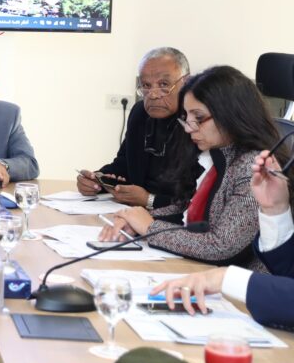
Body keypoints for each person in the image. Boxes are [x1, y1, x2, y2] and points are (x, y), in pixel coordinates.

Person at [99, 65, 281, 269]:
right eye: (186, 117)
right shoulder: (215, 155)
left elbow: (221, 247)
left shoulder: (254, 168)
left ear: (231, 114)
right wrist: (135, 219)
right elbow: (184, 209)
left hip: (239, 282)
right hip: (203, 270)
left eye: (199, 118)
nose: (188, 127)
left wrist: (149, 227)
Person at [152, 147, 294, 330]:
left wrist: (227, 278)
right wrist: (275, 210)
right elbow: (287, 273)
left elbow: (222, 245)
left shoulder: (243, 162)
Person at [77, 47, 191, 208]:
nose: (153, 94)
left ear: (186, 82)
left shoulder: (198, 123)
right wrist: (97, 181)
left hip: (175, 217)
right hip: (132, 211)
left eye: (164, 84)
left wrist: (149, 200)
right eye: (146, 85)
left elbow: (202, 202)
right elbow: (124, 165)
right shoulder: (140, 113)